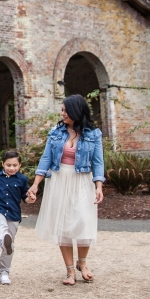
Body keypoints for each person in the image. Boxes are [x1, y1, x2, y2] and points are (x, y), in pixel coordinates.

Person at [29, 94, 105, 285]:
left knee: (82, 221)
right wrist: (36, 184)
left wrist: (99, 186)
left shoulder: (93, 134)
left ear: (76, 111)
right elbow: (45, 159)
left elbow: (98, 162)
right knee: (62, 225)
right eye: (62, 110)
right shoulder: (55, 132)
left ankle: (83, 263)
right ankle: (70, 271)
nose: (62, 113)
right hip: (59, 179)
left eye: (65, 110)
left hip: (82, 180)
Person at [0, 150, 35, 285]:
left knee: (9, 247)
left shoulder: (22, 179)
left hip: (14, 214)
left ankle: (4, 272)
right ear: (3, 164)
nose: (11, 168)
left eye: (15, 165)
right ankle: (3, 240)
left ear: (20, 165)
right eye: (8, 165)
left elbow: (25, 198)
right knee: (2, 228)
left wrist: (30, 199)